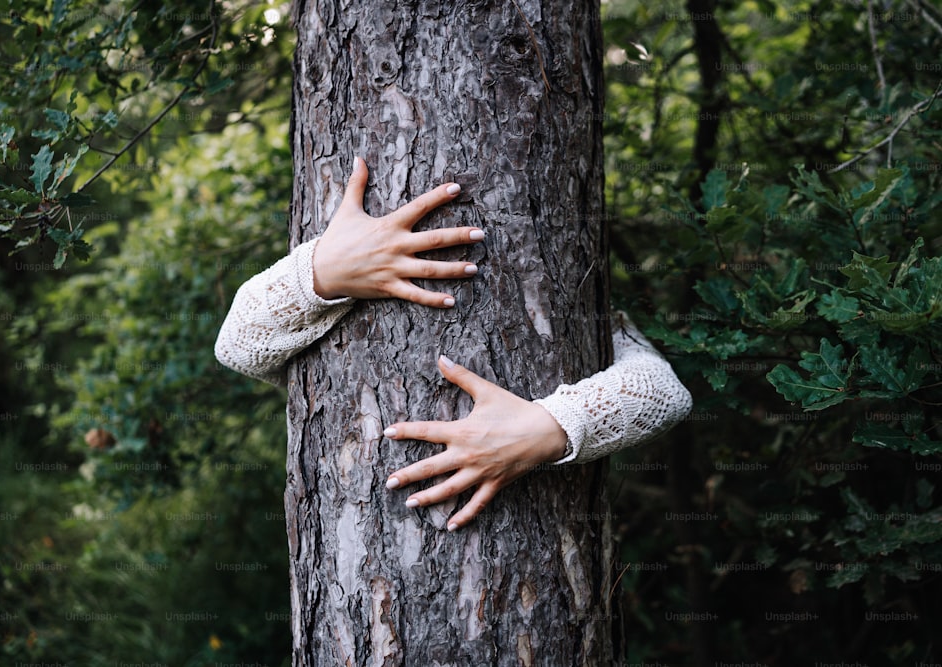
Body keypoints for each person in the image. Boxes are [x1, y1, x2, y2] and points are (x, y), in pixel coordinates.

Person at [215, 157, 692, 531]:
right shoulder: (316, 298)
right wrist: (326, 270)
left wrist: (545, 429)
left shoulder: (581, 306)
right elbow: (238, 345)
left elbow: (662, 392)